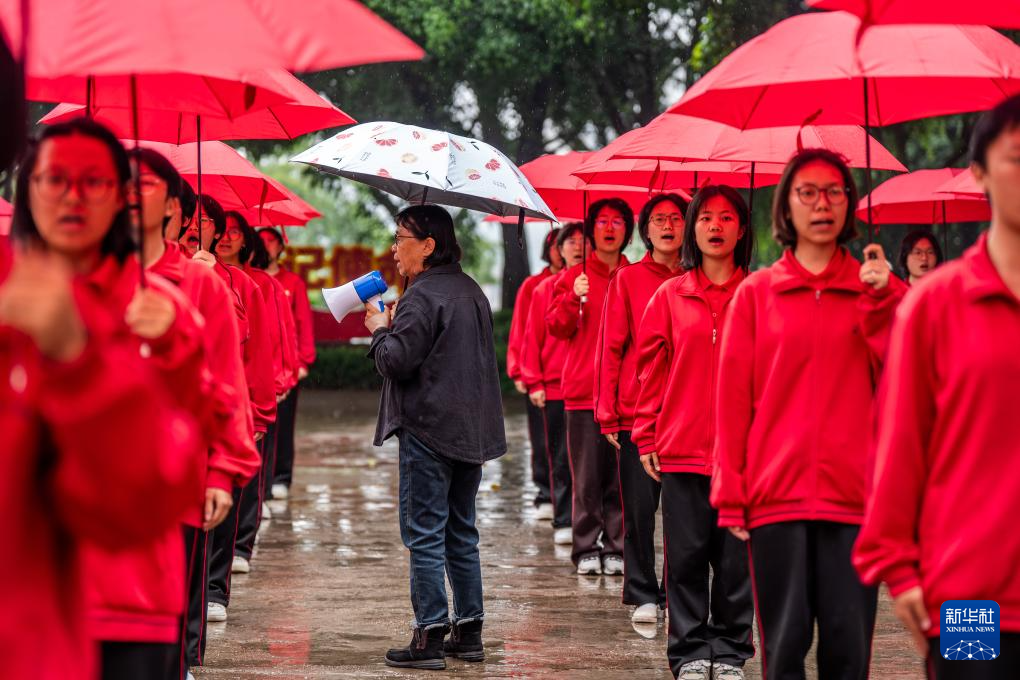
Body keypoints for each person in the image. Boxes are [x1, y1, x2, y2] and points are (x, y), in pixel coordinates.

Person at [10, 118, 209, 680]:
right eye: (55, 179)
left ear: (120, 198)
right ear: (28, 189)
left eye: (94, 181)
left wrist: (149, 352)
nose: (73, 196)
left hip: (128, 596)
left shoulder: (163, 313)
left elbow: (174, 470)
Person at [711, 148, 907, 680]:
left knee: (848, 650)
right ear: (787, 207)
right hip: (775, 498)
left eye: (834, 192)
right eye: (808, 192)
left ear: (849, 203)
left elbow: (905, 384)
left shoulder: (876, 290)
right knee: (784, 647)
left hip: (855, 500)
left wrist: (885, 299)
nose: (823, 204)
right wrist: (731, 493)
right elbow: (732, 402)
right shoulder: (756, 295)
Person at [854, 95, 1020, 680]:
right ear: (980, 173)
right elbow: (899, 445)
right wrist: (899, 569)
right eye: (1017, 157)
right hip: (969, 595)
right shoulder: (934, 308)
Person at [134, 148, 261, 679]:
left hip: (179, 467)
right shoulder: (84, 276)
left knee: (177, 591)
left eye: (142, 186)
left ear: (173, 209)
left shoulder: (202, 282)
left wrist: (222, 470)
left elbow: (227, 378)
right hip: (104, 471)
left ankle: (182, 663)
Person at [364, 204, 506, 670]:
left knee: (424, 535)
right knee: (461, 532)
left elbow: (395, 361)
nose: (394, 249)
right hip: (470, 431)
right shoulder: (470, 290)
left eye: (400, 238)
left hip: (428, 430)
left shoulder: (422, 295)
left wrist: (379, 330)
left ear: (428, 245)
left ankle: (428, 636)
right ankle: (469, 632)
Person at [633, 186, 755, 680]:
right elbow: (650, 370)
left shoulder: (759, 294)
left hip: (743, 453)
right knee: (684, 559)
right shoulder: (670, 295)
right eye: (705, 217)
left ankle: (730, 651)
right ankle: (688, 652)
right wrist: (645, 433)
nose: (715, 226)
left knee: (735, 563)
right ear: (692, 230)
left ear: (741, 230)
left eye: (726, 218)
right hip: (681, 448)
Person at [594, 193, 686, 623]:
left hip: (688, 412)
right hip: (637, 412)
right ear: (645, 230)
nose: (668, 226)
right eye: (659, 219)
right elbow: (611, 347)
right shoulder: (627, 279)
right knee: (639, 509)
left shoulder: (699, 276)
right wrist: (607, 409)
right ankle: (643, 591)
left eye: (677, 218)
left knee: (684, 513)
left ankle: (676, 591)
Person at [547, 198, 632, 576]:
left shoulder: (634, 275)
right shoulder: (573, 276)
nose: (610, 228)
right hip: (583, 390)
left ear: (628, 230)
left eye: (618, 221)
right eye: (602, 222)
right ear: (591, 230)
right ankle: (585, 547)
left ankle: (617, 545)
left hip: (626, 394)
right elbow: (557, 327)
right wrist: (572, 296)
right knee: (586, 476)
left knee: (620, 478)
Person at [520, 223, 587, 546]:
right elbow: (530, 336)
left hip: (592, 388)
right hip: (556, 386)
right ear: (558, 250)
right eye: (570, 241)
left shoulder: (609, 284)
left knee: (592, 462)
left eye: (584, 241)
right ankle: (563, 517)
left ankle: (591, 521)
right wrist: (532, 380)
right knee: (559, 455)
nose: (578, 247)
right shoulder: (543, 289)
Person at [507, 228, 563, 521]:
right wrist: (519, 370)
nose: (563, 250)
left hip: (571, 377)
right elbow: (521, 329)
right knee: (543, 439)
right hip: (539, 373)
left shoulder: (583, 282)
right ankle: (544, 492)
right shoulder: (534, 286)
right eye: (558, 244)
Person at [259, 227, 317, 500]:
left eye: (271, 241)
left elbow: (303, 323)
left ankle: (281, 476)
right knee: (260, 427)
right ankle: (260, 481)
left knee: (283, 424)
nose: (265, 246)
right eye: (260, 241)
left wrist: (303, 361)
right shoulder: (250, 278)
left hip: (286, 366)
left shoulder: (292, 283)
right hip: (259, 365)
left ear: (281, 247)